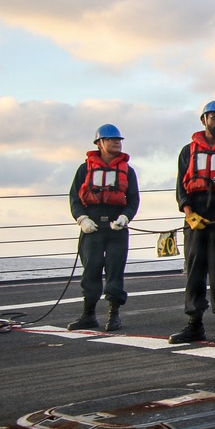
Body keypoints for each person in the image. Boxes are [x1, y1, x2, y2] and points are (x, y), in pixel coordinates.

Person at [169, 100, 215, 346]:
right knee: (194, 273)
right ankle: (194, 325)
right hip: (195, 219)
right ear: (204, 120)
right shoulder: (187, 152)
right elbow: (181, 186)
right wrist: (188, 212)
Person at [68, 124, 140, 331]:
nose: (117, 142)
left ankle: (114, 315)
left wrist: (125, 218)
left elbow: (133, 199)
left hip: (117, 228)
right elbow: (74, 197)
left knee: (115, 270)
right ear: (99, 143)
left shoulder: (128, 171)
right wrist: (82, 219)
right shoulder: (84, 169)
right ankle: (88, 315)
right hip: (92, 227)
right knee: (91, 269)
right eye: (111, 139)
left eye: (118, 140)